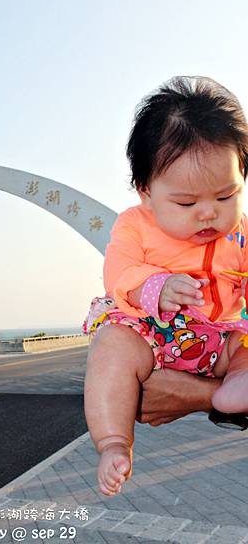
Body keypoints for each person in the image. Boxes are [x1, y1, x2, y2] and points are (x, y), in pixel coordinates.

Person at [84, 75, 248, 497]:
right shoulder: (134, 226)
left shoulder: (242, 234)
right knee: (112, 348)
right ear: (146, 191)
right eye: (187, 203)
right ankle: (114, 441)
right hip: (151, 333)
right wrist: (155, 286)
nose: (208, 214)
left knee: (243, 347)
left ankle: (236, 387)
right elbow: (119, 273)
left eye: (227, 195)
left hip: (217, 338)